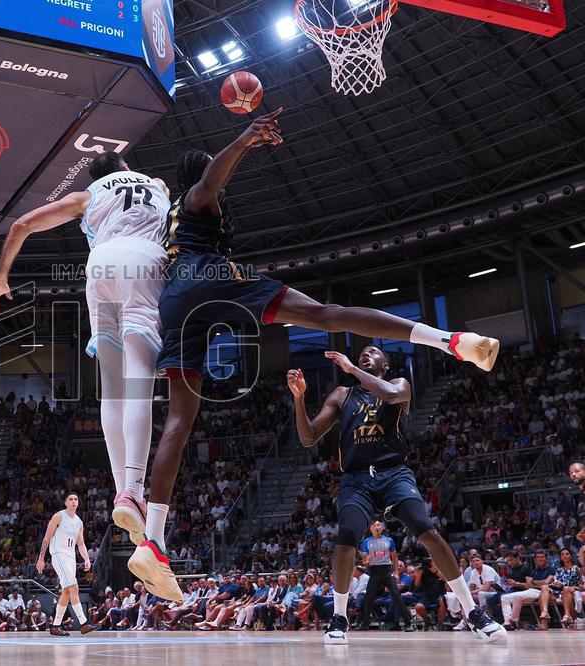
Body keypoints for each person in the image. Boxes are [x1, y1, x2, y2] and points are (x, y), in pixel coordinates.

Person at [135, 109, 501, 601]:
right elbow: (210, 181)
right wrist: (243, 140)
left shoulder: (171, 222)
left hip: (174, 301)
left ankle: (153, 540)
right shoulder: (199, 197)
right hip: (210, 278)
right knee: (327, 315)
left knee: (180, 419)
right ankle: (448, 341)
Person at [0, 153, 172, 547]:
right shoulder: (157, 184)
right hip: (144, 260)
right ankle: (135, 487)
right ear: (126, 167)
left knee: (113, 388)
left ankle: (124, 491)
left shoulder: (86, 195)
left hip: (100, 266)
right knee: (140, 384)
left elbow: (20, 225)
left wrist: (1, 278)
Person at [287, 346, 505, 645]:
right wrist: (299, 398)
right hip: (357, 479)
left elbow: (389, 395)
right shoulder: (342, 395)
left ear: (385, 365)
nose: (365, 354)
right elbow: (308, 436)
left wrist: (352, 369)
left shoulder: (399, 385)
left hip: (393, 473)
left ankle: (472, 612)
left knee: (425, 528)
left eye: (373, 352)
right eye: (362, 353)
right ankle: (339, 617)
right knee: (347, 534)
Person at [35, 493, 96, 636]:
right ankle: (84, 624)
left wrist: (87, 559)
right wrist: (41, 558)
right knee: (74, 587)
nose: (74, 501)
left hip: (71, 557)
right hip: (59, 555)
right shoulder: (59, 516)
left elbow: (81, 543)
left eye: (76, 499)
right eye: (71, 499)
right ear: (66, 503)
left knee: (67, 592)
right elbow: (46, 538)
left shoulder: (79, 522)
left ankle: (55, 626)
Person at [357, 521, 412, 631]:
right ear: (371, 529)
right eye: (374, 526)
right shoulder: (367, 542)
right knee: (368, 597)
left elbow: (394, 557)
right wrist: (367, 558)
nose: (377, 527)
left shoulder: (389, 540)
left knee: (396, 595)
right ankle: (365, 623)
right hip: (374, 571)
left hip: (386, 570)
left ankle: (408, 623)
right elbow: (364, 561)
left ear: (381, 527)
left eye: (378, 525)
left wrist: (395, 571)